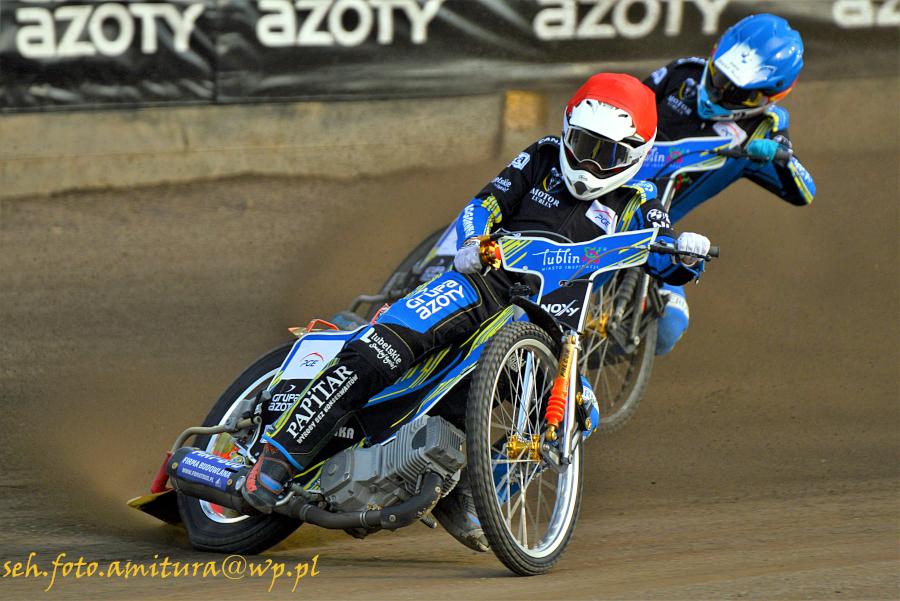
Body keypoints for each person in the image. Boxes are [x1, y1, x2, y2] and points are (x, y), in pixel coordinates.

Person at [242, 73, 712, 552]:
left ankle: (469, 488)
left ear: (635, 154)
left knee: (577, 410)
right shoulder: (543, 155)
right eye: (582, 143)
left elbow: (664, 255)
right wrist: (473, 241)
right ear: (567, 129)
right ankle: (280, 454)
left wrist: (686, 256)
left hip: (550, 331)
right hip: (484, 282)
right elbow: (484, 203)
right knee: (386, 346)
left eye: (605, 153)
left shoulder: (639, 200)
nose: (588, 162)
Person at [642, 13, 817, 356]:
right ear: (715, 52)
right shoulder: (682, 73)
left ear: (770, 96)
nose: (720, 92)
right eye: (720, 76)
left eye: (738, 92)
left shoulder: (767, 126)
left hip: (657, 226)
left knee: (669, 327)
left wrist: (779, 157)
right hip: (603, 191)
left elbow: (805, 191)